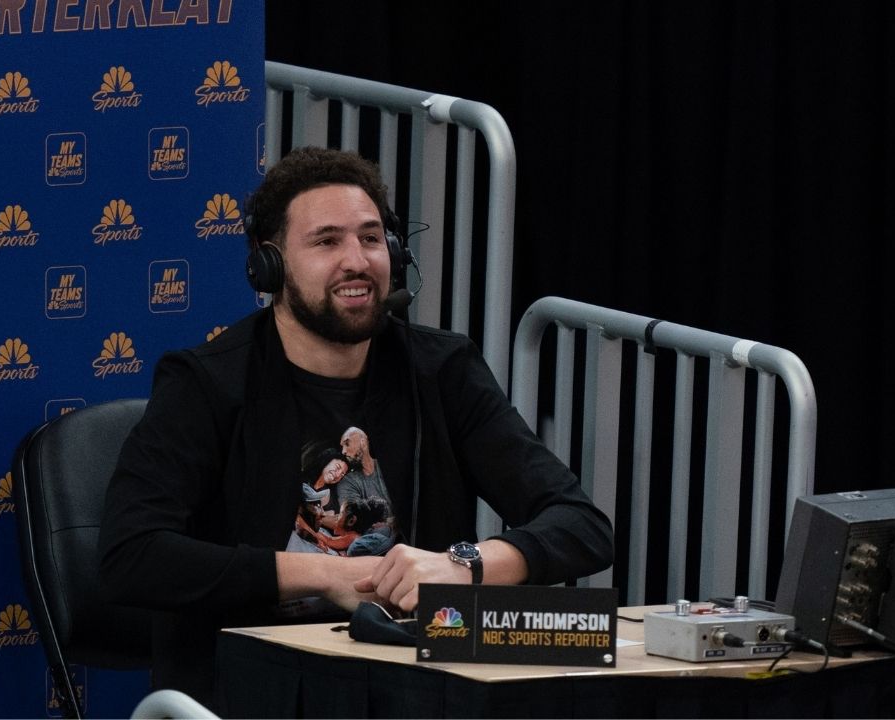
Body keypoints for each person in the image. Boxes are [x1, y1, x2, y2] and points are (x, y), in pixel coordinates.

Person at [98, 146, 613, 702]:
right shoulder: (205, 383)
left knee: (582, 646)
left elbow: (582, 525)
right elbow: (133, 555)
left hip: (414, 678)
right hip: (260, 686)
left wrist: (466, 567)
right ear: (268, 264)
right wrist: (329, 576)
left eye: (371, 238)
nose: (357, 260)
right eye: (327, 241)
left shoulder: (442, 369)